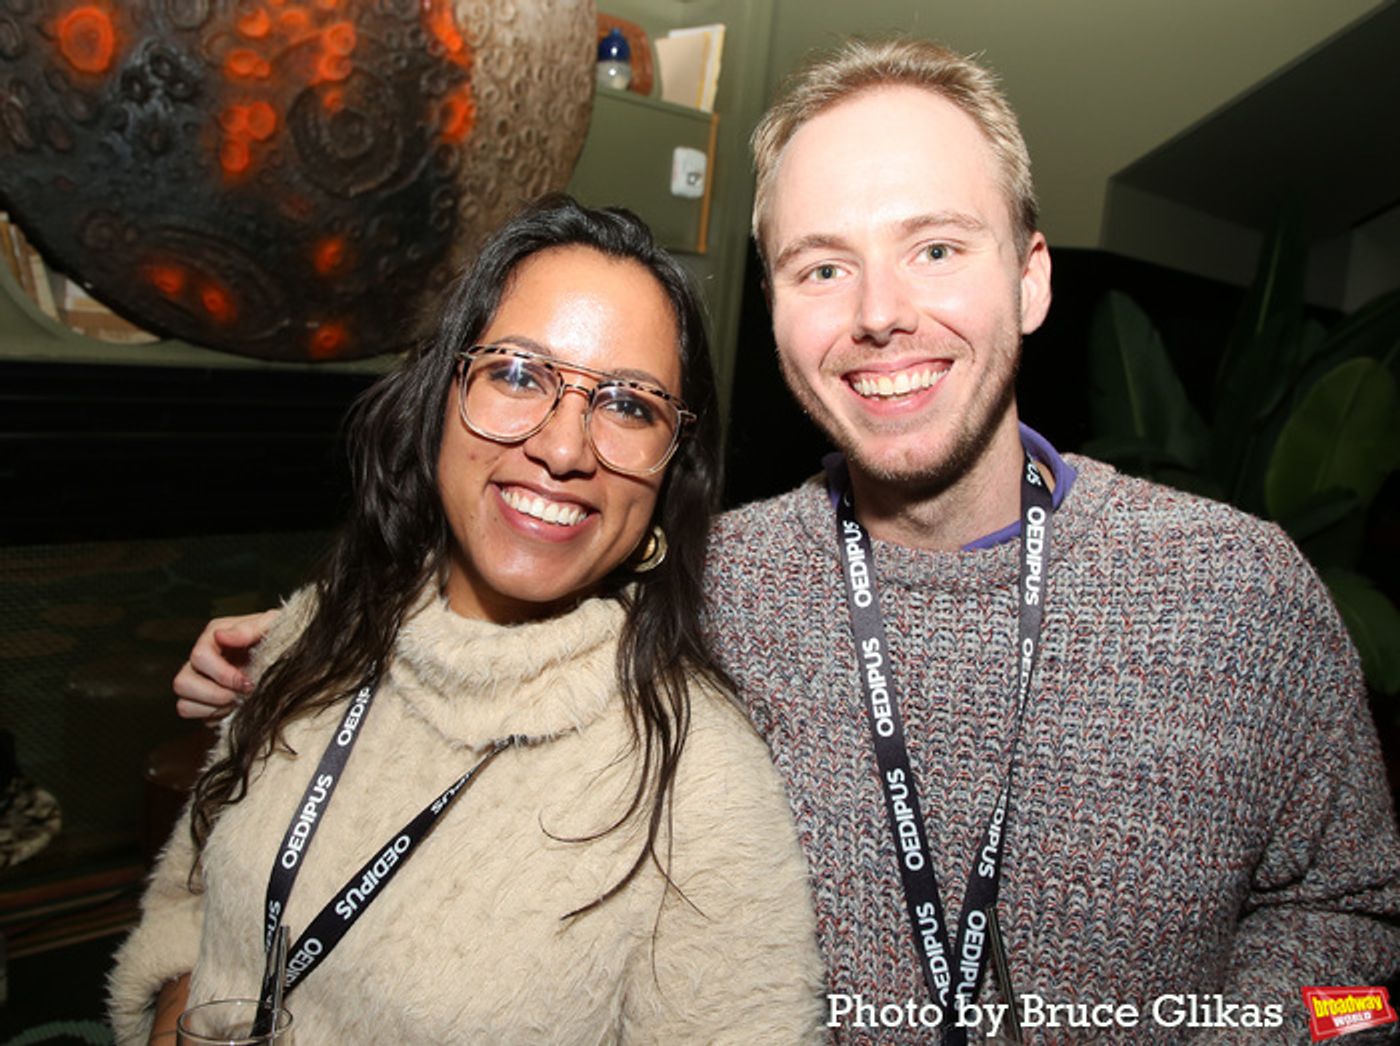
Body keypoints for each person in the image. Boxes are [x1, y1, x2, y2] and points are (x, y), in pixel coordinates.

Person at [173, 39, 1400, 1042]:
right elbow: (491, 578)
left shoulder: (1239, 595)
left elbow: (1362, 948)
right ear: (770, 312)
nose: (879, 315)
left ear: (1029, 277)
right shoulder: (704, 579)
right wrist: (284, 642)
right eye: (821, 267)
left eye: (934, 246)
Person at [111, 196, 825, 1045]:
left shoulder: (694, 786)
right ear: (442, 392)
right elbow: (190, 909)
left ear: (672, 468)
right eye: (519, 374)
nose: (564, 448)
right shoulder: (314, 637)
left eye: (630, 405)